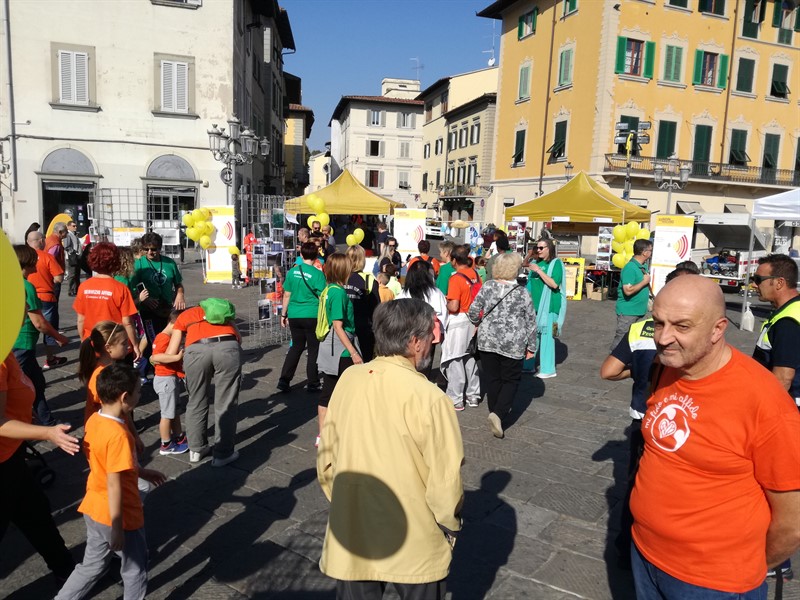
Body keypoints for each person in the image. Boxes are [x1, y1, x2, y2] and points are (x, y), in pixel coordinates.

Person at [629, 275, 800, 599]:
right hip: (644, 554)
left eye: (682, 326)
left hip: (712, 582)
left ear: (718, 329)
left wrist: (744, 566)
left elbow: (793, 523)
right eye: (658, 323)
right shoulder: (666, 367)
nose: (664, 337)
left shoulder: (764, 402)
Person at [317, 299, 464, 600]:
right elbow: (444, 479)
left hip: (353, 527)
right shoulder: (430, 397)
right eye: (427, 336)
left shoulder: (349, 379)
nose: (430, 343)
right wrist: (449, 524)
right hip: (414, 534)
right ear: (414, 342)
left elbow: (326, 455)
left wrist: (344, 498)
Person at [599, 263, 699, 569]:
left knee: (636, 483)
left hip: (643, 416)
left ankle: (627, 546)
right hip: (682, 422)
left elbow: (608, 371)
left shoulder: (640, 328)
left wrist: (641, 374)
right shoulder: (698, 334)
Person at [55, 363, 166, 600]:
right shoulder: (117, 435)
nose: (141, 394)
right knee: (135, 569)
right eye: (138, 391)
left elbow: (107, 464)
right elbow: (115, 482)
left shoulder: (95, 420)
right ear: (125, 397)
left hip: (94, 506)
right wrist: (118, 528)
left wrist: (142, 473)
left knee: (92, 565)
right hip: (121, 515)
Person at [0, 352, 78, 585]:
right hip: (2, 464)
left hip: (12, 457)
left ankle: (66, 570)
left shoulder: (7, 350)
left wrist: (22, 409)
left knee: (36, 514)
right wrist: (48, 432)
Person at [751, 254, 800, 580]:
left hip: (784, 412)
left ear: (778, 283)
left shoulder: (787, 322)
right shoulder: (790, 312)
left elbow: (782, 376)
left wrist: (759, 420)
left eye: (759, 279)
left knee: (772, 483)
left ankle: (776, 559)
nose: (754, 284)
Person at [468, 253, 537, 439]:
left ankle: (494, 412)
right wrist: (532, 347)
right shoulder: (522, 292)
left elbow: (473, 311)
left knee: (493, 378)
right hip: (513, 343)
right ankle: (498, 414)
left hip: (487, 341)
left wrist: (477, 323)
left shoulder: (488, 286)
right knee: (511, 380)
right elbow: (531, 321)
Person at [166, 299, 242, 467]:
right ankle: (223, 454)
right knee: (226, 403)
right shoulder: (223, 313)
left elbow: (171, 351)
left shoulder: (185, 316)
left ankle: (196, 450)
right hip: (227, 347)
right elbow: (239, 338)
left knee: (196, 401)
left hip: (196, 351)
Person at [12, 245, 69, 426]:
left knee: (37, 382)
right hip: (23, 343)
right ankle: (18, 423)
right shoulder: (27, 286)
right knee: (18, 386)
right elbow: (39, 323)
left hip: (17, 342)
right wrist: (59, 338)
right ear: (27, 262)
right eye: (34, 260)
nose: (38, 262)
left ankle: (46, 420)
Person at [316, 253, 362, 447]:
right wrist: (353, 352)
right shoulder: (338, 293)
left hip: (332, 345)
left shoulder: (329, 289)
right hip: (340, 349)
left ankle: (325, 434)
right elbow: (338, 325)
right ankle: (334, 433)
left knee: (330, 390)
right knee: (345, 392)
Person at [73, 242, 141, 362]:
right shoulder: (120, 288)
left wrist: (83, 341)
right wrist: (135, 345)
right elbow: (127, 322)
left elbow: (81, 319)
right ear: (115, 261)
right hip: (116, 344)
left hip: (93, 342)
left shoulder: (84, 287)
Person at [278, 241, 326, 393]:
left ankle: (284, 380)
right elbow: (323, 296)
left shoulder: (292, 272)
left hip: (295, 315)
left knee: (296, 347)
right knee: (313, 349)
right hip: (312, 315)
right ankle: (313, 382)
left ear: (301, 255)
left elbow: (286, 295)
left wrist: (283, 314)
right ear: (316, 256)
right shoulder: (318, 274)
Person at [441, 244, 482, 410]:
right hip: (474, 321)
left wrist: (445, 300)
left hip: (459, 321)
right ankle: (474, 395)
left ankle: (456, 398)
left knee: (455, 359)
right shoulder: (476, 275)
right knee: (470, 357)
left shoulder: (456, 278)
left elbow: (454, 306)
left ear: (454, 260)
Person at [130, 232, 185, 343]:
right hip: (149, 310)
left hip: (168, 310)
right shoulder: (139, 264)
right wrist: (144, 299)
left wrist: (180, 294)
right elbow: (134, 286)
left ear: (160, 248)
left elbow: (178, 284)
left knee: (168, 341)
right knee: (153, 342)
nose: (150, 252)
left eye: (154, 249)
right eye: (146, 249)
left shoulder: (169, 263)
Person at [26, 229, 66, 369]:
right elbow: (59, 278)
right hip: (46, 297)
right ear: (41, 241)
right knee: (49, 328)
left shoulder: (21, 258)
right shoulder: (46, 257)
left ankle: (28, 359)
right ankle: (50, 358)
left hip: (26, 297)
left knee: (28, 329)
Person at [526, 238, 566, 378]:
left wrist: (539, 271)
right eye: (537, 247)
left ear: (549, 248)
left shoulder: (556, 264)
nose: (538, 250)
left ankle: (548, 369)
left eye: (541, 248)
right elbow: (530, 284)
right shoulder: (535, 263)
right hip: (535, 306)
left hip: (550, 307)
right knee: (532, 336)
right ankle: (528, 365)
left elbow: (554, 284)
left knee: (548, 336)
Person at [150, 311, 188, 455]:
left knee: (174, 411)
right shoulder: (163, 338)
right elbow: (156, 357)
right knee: (167, 414)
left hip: (170, 378)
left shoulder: (165, 337)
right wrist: (177, 357)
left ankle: (179, 437)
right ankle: (166, 444)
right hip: (165, 380)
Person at [612, 238, 653, 350]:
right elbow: (628, 290)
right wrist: (644, 281)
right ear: (644, 252)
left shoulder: (642, 266)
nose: (650, 254)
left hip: (640, 311)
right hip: (628, 312)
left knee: (635, 340)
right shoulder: (630, 268)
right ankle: (612, 363)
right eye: (650, 251)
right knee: (621, 340)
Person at [345, 244, 380, 362]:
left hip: (342, 328)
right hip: (363, 329)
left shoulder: (340, 278)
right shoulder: (369, 280)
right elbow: (376, 309)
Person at [64, 220, 82, 296]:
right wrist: (73, 252)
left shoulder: (74, 234)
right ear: (68, 227)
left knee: (77, 274)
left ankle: (76, 289)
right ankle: (70, 290)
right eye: (73, 226)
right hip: (72, 257)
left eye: (75, 226)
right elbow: (66, 246)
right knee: (72, 274)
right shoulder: (68, 235)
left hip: (77, 257)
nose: (75, 227)